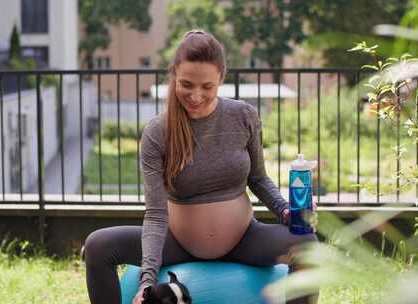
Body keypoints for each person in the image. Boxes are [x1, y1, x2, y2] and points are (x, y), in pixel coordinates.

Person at [84, 29, 318, 304]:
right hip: (179, 244)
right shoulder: (157, 132)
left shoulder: (243, 116)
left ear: (221, 78)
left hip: (244, 240)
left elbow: (258, 179)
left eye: (207, 87)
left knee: (307, 245)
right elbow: (157, 214)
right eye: (186, 84)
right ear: (174, 76)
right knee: (98, 245)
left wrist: (285, 211)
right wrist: (147, 281)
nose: (195, 95)